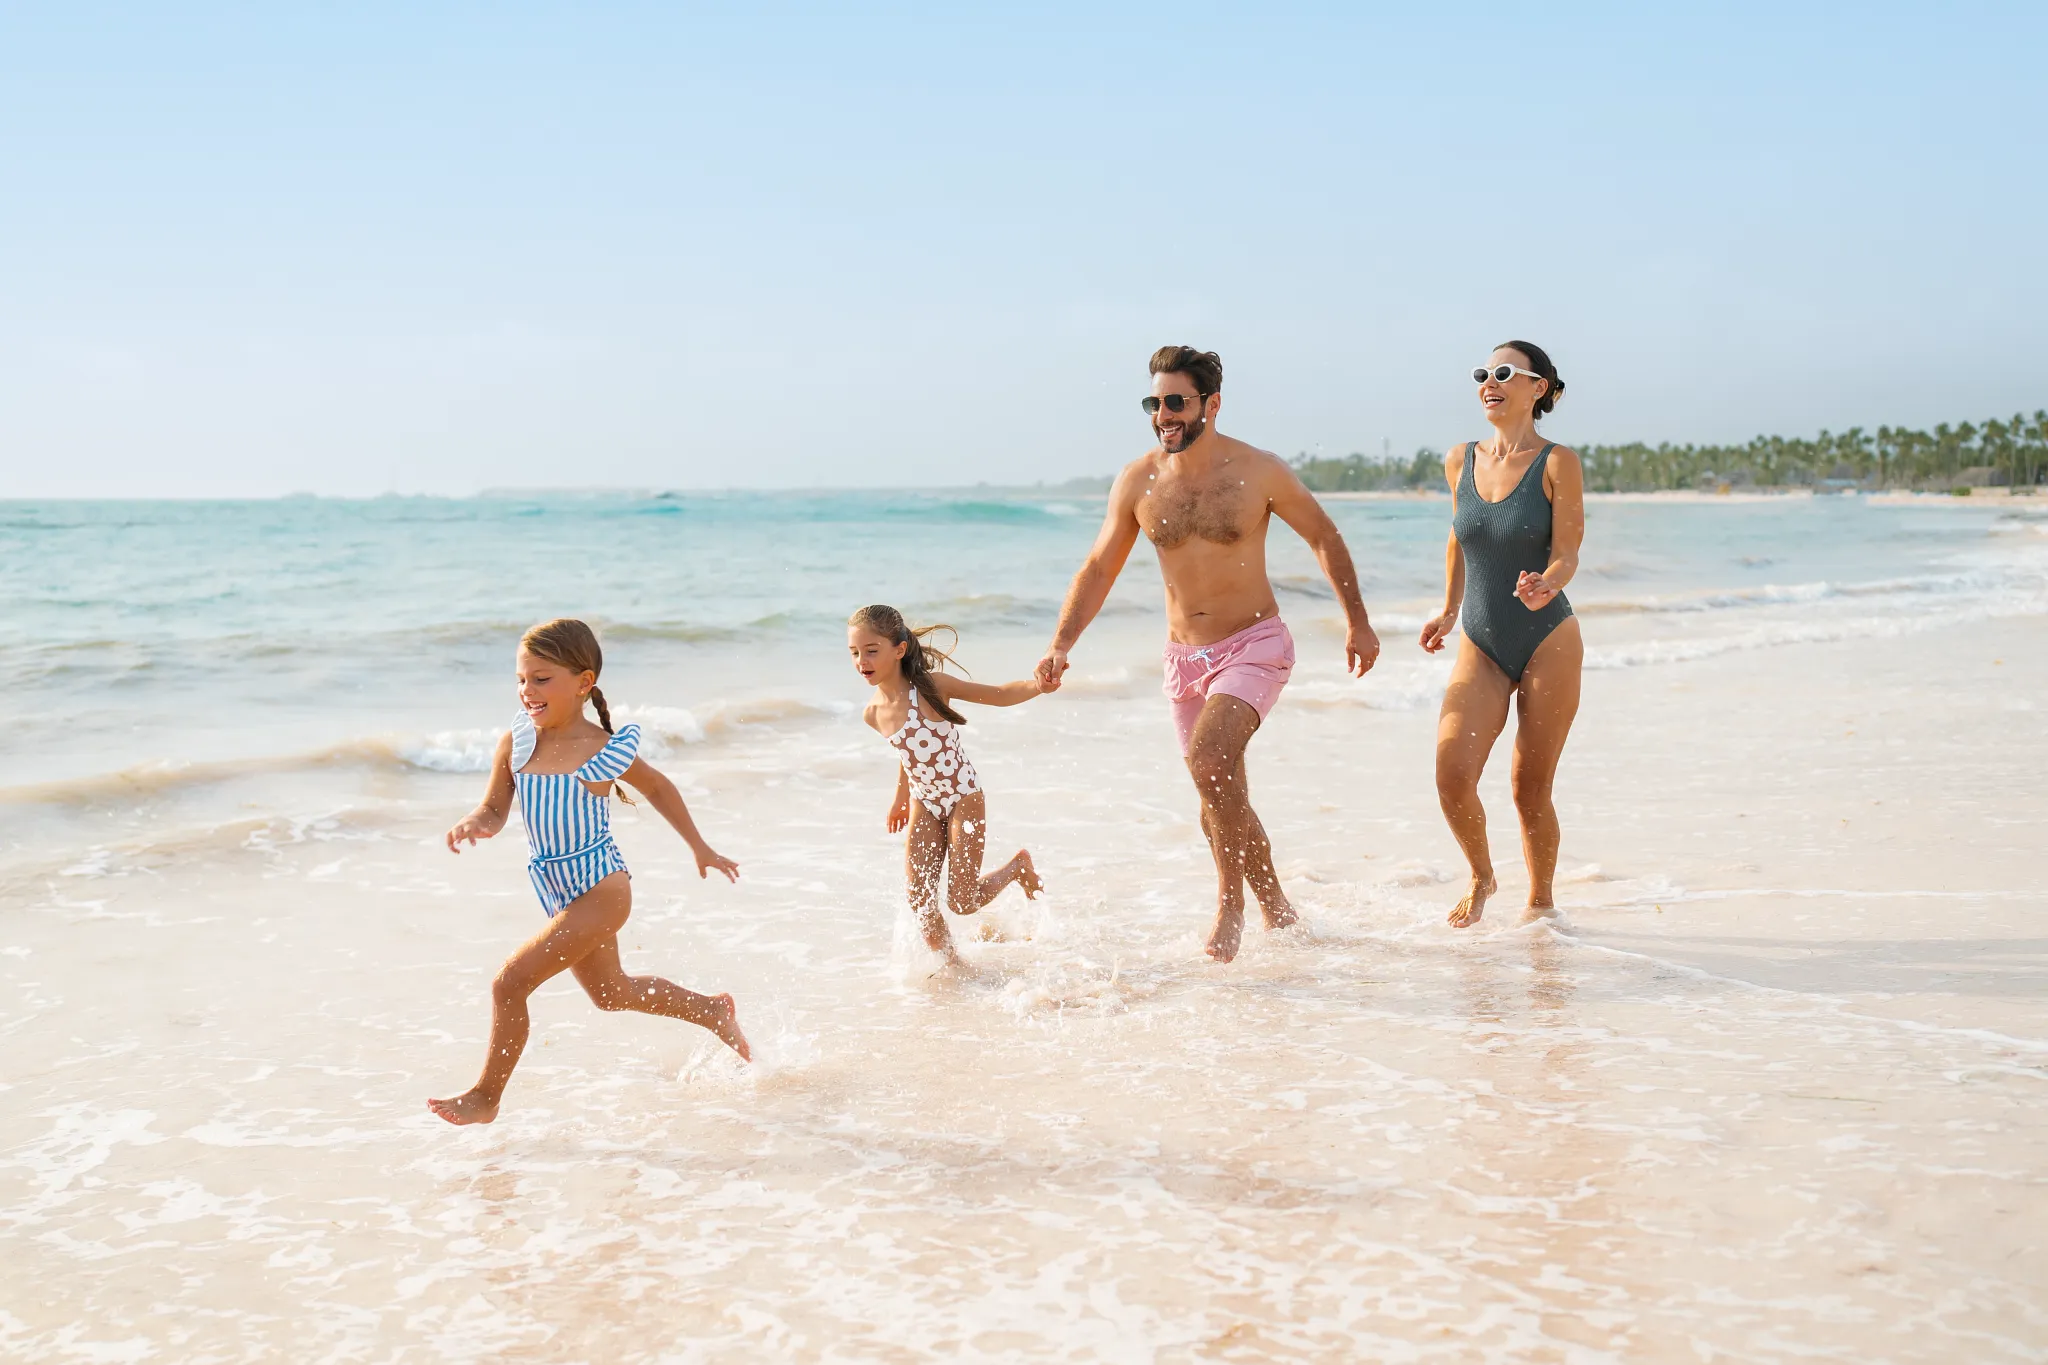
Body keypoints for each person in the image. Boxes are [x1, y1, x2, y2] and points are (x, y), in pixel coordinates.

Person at [1035, 345, 1380, 963]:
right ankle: (1279, 909)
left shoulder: (1259, 471)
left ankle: (1231, 907)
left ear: (1210, 404)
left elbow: (1325, 537)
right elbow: (1099, 566)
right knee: (1218, 793)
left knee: (1210, 759)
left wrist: (1358, 623)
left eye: (1175, 402)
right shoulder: (1138, 480)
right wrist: (1062, 643)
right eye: (1153, 403)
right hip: (1183, 658)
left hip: (1255, 644)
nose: (1162, 414)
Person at [429, 618, 749, 1125]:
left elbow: (659, 788)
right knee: (611, 993)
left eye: (541, 679)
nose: (527, 691)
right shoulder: (516, 742)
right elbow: (494, 810)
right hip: (556, 891)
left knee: (508, 985)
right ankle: (711, 1010)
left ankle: (486, 1097)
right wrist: (475, 823)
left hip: (602, 890)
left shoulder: (601, 747)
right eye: (521, 679)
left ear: (583, 683)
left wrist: (700, 847)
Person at [1418, 341, 1585, 928]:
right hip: (1480, 640)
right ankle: (1482, 874)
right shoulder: (1460, 459)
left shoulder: (1558, 462)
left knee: (1527, 788)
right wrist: (1446, 610)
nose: (1491, 381)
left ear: (1537, 388)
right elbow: (1459, 536)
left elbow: (1567, 551)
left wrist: (1549, 581)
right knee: (1451, 775)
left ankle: (1540, 905)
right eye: (1484, 373)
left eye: (1506, 373)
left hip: (1548, 638)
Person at [849, 605, 1046, 967]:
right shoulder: (873, 713)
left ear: (899, 650)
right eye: (855, 652)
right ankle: (953, 968)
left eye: (871, 650)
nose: (862, 660)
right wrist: (900, 800)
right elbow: (908, 752)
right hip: (925, 802)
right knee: (919, 899)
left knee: (962, 901)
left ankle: (1017, 867)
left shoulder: (931, 687)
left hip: (962, 797)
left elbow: (1000, 694)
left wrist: (1039, 685)